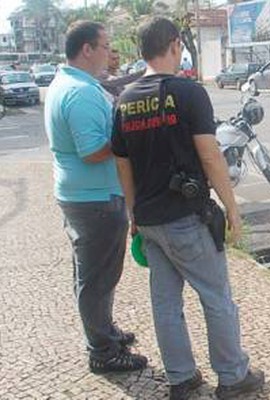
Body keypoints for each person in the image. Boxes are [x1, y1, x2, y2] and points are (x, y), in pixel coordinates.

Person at [111, 17, 265, 400]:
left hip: (149, 221)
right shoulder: (187, 92)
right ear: (176, 45)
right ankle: (232, 376)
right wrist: (232, 207)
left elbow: (123, 165)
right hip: (186, 219)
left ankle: (181, 379)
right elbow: (211, 157)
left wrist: (133, 215)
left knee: (166, 304)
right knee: (216, 298)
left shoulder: (125, 101)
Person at [44, 20, 148, 374]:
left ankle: (104, 331)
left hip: (82, 195)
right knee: (98, 278)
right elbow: (93, 151)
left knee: (93, 275)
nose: (110, 53)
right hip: (95, 200)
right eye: (105, 46)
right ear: (86, 49)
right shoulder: (81, 93)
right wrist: (129, 141)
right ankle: (102, 351)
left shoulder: (70, 83)